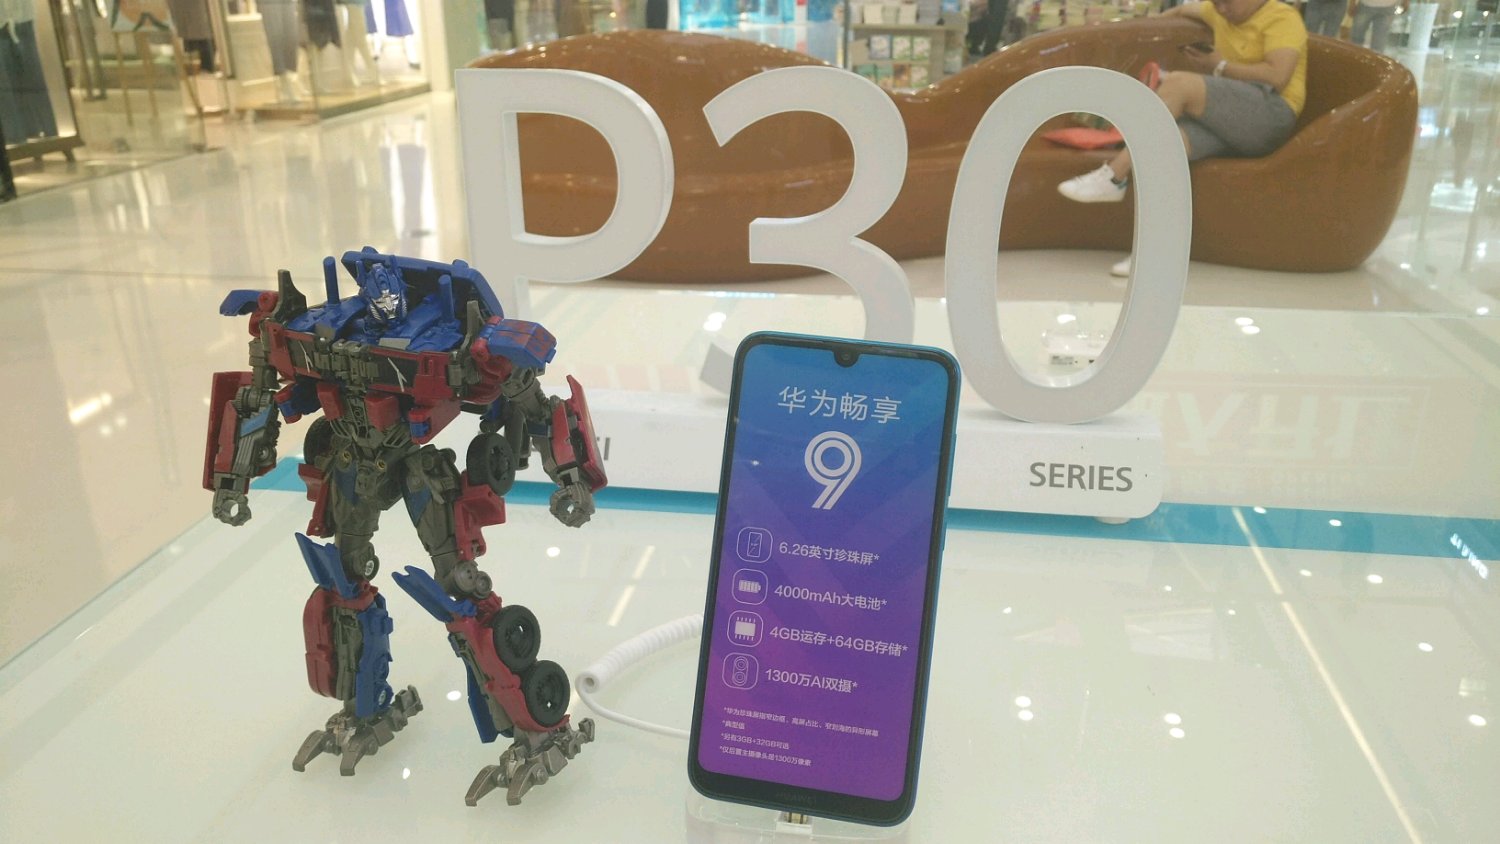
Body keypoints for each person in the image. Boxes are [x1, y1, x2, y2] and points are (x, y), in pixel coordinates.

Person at [1056, 0, 1307, 276]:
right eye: (1217, 3)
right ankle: (1152, 253)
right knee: (1168, 143)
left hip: (1270, 114)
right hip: (1230, 119)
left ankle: (1115, 175)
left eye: (1227, 3)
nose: (1221, 9)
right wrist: (1152, 27)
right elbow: (1182, 10)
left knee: (1179, 83)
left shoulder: (1281, 17)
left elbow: (1278, 77)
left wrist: (1219, 65)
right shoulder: (1217, 11)